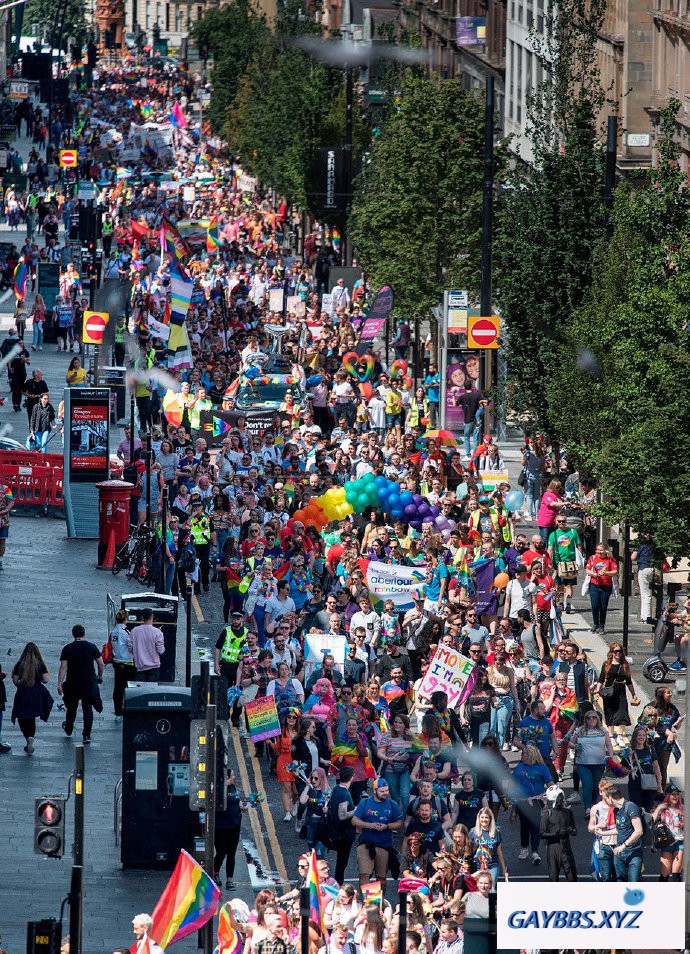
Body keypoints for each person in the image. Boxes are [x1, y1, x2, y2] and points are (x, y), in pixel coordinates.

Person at [352, 777, 403, 894]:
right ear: (375, 791)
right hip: (366, 844)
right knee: (364, 874)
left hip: (384, 845)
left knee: (381, 878)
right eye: (382, 791)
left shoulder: (392, 804)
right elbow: (354, 821)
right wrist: (369, 825)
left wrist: (387, 826)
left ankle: (378, 903)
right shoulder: (365, 802)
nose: (385, 793)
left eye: (387, 790)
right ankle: (367, 902)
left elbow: (399, 823)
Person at [58, 624, 104, 744]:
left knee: (71, 708)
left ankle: (69, 728)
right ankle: (86, 735)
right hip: (88, 682)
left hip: (73, 682)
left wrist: (59, 684)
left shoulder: (67, 648)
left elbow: (63, 667)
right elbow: (101, 663)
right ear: (84, 634)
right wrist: (99, 676)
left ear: (73, 634)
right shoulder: (91, 647)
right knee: (87, 708)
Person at [594, 641, 639, 748]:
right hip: (609, 693)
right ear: (612, 652)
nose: (618, 653)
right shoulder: (606, 664)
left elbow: (628, 681)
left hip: (621, 691)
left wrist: (633, 694)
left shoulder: (625, 665)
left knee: (622, 713)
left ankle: (620, 735)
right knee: (610, 713)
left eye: (620, 651)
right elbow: (601, 679)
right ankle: (610, 736)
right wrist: (597, 691)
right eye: (616, 651)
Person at [569, 709, 614, 816]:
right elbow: (570, 742)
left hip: (599, 764)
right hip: (583, 764)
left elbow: (608, 744)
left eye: (594, 717)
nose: (591, 720)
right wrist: (574, 746)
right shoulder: (580, 730)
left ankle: (593, 804)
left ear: (597, 719)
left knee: (595, 787)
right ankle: (588, 809)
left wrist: (611, 757)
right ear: (585, 720)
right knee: (587, 785)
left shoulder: (603, 730)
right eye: (588, 718)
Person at [512, 745, 551, 864]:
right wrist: (513, 806)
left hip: (537, 801)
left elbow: (549, 783)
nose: (521, 755)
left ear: (530, 755)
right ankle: (524, 848)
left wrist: (558, 795)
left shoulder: (542, 767)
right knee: (524, 825)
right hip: (522, 801)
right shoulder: (519, 768)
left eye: (523, 754)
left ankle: (535, 851)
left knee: (535, 826)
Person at [11, 642, 51, 754]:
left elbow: (15, 681)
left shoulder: (20, 664)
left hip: (23, 693)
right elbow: (46, 679)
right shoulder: (40, 664)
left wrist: (22, 682)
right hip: (36, 693)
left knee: (21, 717)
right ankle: (31, 737)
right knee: (31, 717)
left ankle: (27, 736)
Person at [603, 784, 644, 882]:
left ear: (611, 798)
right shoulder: (616, 810)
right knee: (620, 881)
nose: (605, 801)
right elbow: (619, 829)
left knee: (633, 882)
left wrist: (623, 846)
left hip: (633, 852)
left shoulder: (630, 807)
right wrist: (602, 833)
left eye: (605, 798)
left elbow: (639, 831)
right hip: (619, 853)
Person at [214, 769, 246, 890]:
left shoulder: (233, 787)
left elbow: (238, 801)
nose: (234, 777)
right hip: (221, 826)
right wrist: (224, 786)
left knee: (231, 853)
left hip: (234, 825)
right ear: (226, 777)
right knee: (221, 852)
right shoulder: (218, 788)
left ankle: (229, 880)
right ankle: (215, 873)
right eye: (232, 775)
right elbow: (215, 799)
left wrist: (243, 807)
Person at [539, 784, 577, 881]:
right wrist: (556, 834)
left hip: (566, 849)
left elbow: (574, 830)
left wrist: (570, 831)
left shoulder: (568, 812)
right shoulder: (547, 814)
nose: (561, 799)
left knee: (572, 877)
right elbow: (542, 833)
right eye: (560, 797)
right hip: (553, 849)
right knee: (553, 878)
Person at [327, 765, 357, 884]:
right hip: (344, 835)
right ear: (351, 778)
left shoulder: (336, 789)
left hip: (335, 831)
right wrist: (356, 810)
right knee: (342, 863)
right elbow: (342, 815)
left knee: (341, 862)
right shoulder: (345, 793)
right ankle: (338, 886)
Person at [652, 783, 684, 882]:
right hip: (666, 842)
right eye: (673, 794)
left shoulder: (681, 810)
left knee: (676, 873)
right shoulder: (662, 809)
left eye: (677, 794)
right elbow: (651, 821)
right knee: (665, 874)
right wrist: (658, 809)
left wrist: (683, 825)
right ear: (667, 795)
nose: (675, 796)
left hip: (679, 841)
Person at [585, 543, 618, 635]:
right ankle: (595, 623)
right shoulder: (592, 558)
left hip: (606, 586)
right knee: (595, 605)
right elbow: (587, 570)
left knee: (603, 606)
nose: (598, 552)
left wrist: (606, 573)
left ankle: (601, 626)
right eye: (597, 549)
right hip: (594, 585)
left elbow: (615, 571)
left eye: (601, 550)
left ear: (606, 551)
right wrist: (594, 574)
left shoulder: (611, 559)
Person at [109, 608, 134, 722]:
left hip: (116, 662)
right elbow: (130, 647)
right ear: (125, 619)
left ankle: (118, 712)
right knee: (129, 688)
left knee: (118, 688)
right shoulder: (126, 632)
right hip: (127, 662)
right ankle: (128, 709)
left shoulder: (113, 631)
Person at [127, 609, 165, 681]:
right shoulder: (157, 632)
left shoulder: (134, 631)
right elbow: (161, 651)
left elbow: (130, 648)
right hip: (154, 666)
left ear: (142, 617)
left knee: (141, 691)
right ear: (153, 616)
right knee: (151, 690)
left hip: (139, 666)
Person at [0, 479, 15, 570]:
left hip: (3, 519)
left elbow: (11, 501)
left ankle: (0, 560)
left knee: (2, 540)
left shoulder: (5, 489)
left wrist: (6, 510)